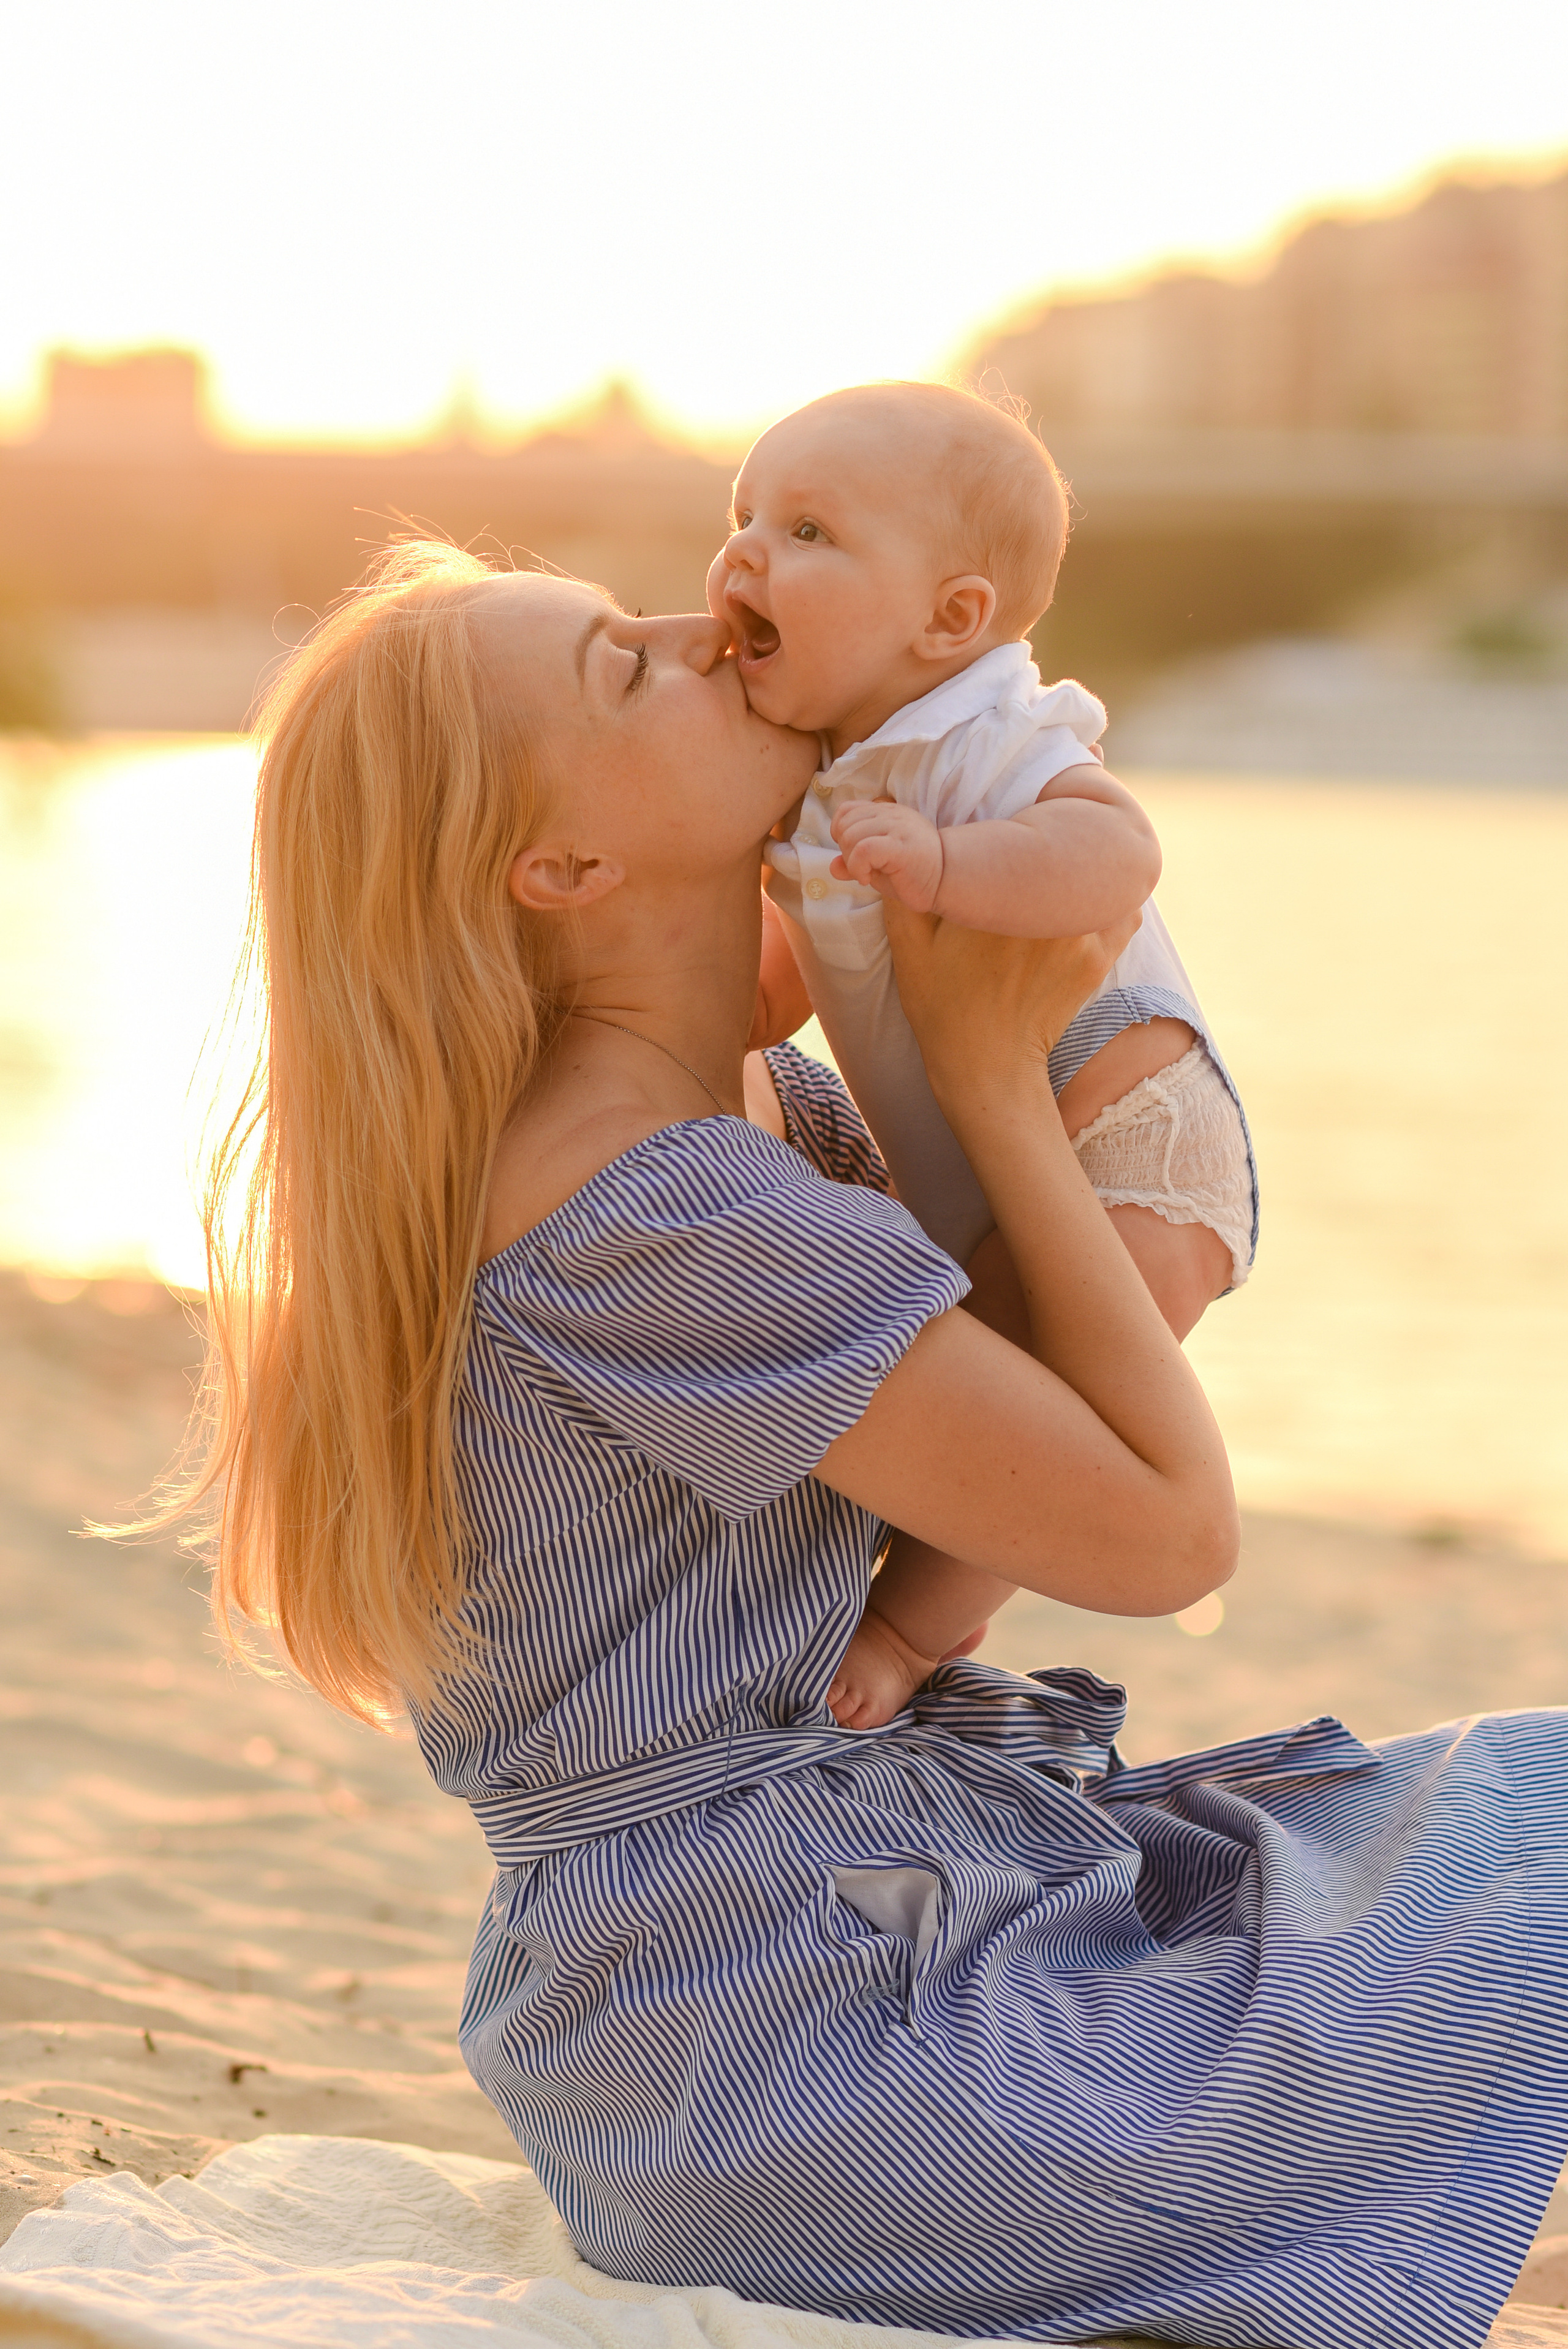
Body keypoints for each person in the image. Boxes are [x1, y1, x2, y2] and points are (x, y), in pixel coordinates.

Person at [170, 542, 1568, 2349]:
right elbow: (1165, 1536)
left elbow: (1032, 1369)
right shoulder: (652, 1203)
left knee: (1457, 1826)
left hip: (732, 2013)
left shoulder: (741, 1111)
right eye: (628, 666)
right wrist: (993, 1083)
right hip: (815, 2060)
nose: (705, 627)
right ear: (566, 867)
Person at [708, 380, 1258, 1726]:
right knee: (995, 1385)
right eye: (740, 518)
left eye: (808, 531)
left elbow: (1114, 850)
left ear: (949, 620)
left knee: (1043, 1382)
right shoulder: (820, 775)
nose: (742, 555)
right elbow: (788, 975)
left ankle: (905, 1633)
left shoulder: (985, 738)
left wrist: (957, 863)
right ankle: (918, 1603)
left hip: (1131, 1138)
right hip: (982, 1138)